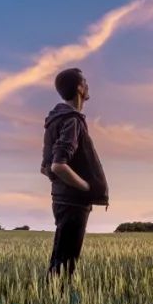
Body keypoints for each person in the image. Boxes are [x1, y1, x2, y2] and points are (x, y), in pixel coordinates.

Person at [40, 67, 109, 287]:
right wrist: (86, 187)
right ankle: (54, 302)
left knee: (61, 260)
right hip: (73, 201)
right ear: (79, 88)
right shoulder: (72, 120)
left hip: (62, 198)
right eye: (85, 82)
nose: (88, 86)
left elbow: (45, 167)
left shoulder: (55, 120)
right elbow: (58, 165)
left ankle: (51, 300)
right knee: (65, 264)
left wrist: (62, 186)